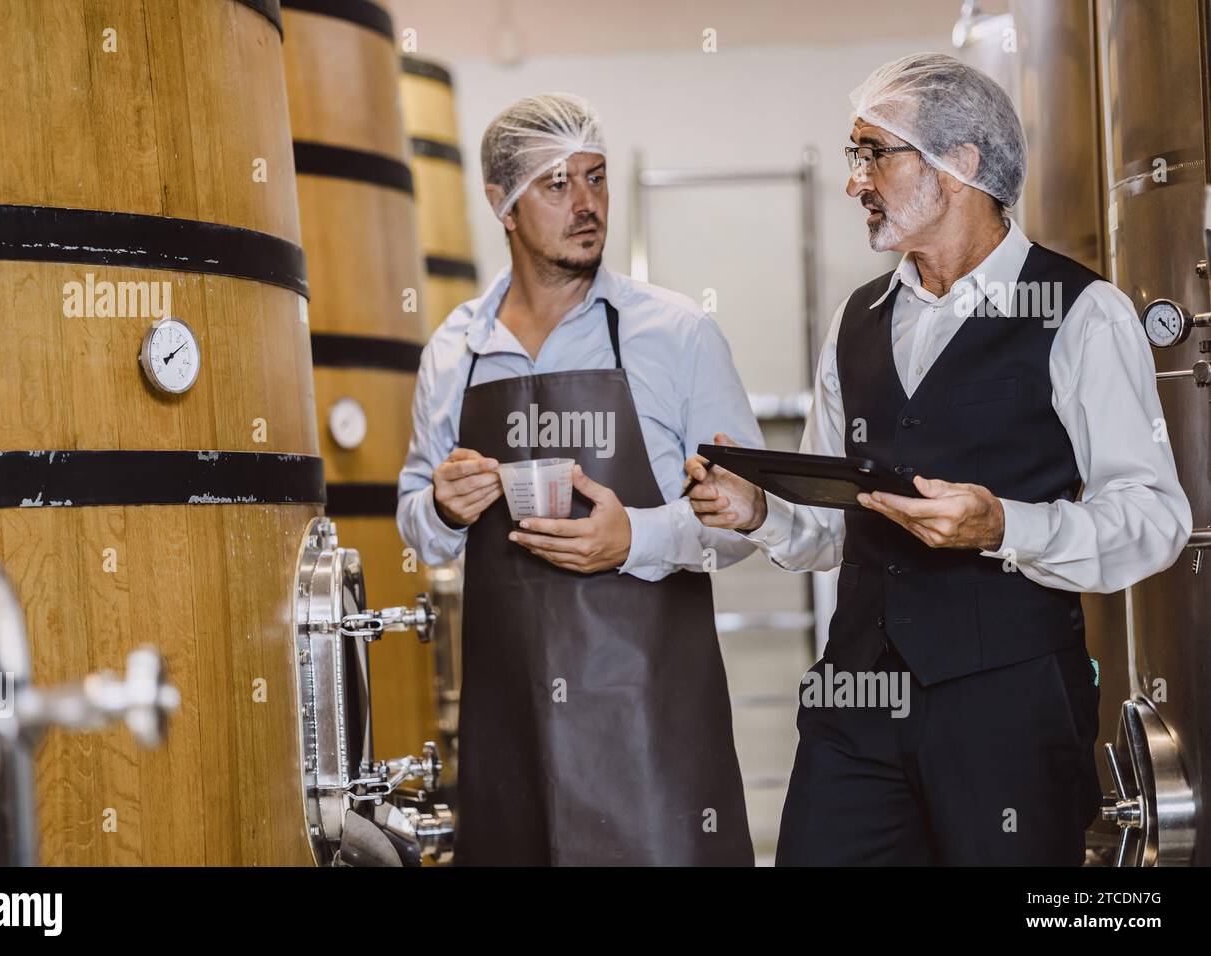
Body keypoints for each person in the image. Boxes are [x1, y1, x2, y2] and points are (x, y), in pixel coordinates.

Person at [687, 53, 1191, 865]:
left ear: (960, 163)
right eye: (855, 158)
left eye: (873, 154)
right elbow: (834, 521)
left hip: (1011, 713)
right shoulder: (856, 320)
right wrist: (763, 511)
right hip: (855, 705)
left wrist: (1003, 526)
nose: (856, 182)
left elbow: (1155, 520)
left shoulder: (1083, 313)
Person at [397, 92, 763, 865]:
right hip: (511, 732)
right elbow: (416, 522)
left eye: (595, 179)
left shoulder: (677, 335)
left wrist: (638, 536)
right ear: (501, 203)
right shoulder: (455, 350)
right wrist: (442, 507)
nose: (587, 204)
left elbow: (745, 525)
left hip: (652, 733)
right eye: (556, 185)